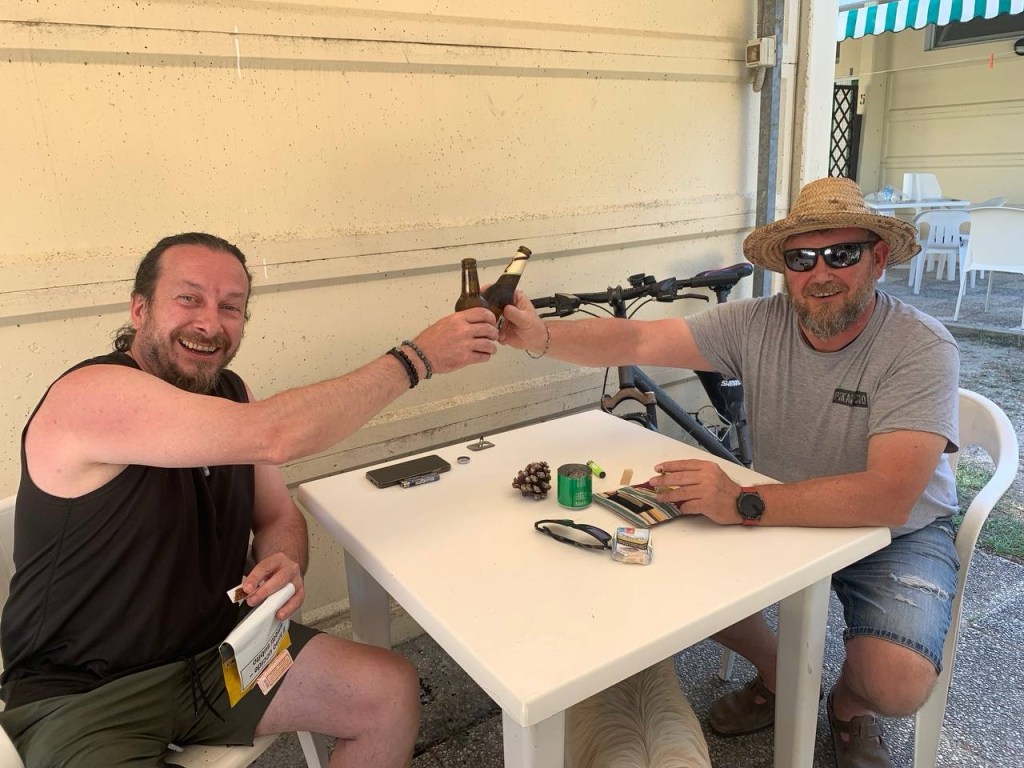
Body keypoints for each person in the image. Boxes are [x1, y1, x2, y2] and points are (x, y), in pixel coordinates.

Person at [500, 177, 960, 768]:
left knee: (896, 684)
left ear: (878, 258)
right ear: (785, 268)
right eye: (802, 258)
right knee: (666, 576)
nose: (820, 273)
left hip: (898, 533)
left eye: (842, 253)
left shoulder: (919, 346)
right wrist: (541, 335)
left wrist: (742, 502)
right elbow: (637, 336)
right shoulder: (756, 323)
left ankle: (848, 706)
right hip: (783, 509)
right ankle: (783, 674)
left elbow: (889, 497)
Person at [0, 232, 500, 768]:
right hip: (86, 699)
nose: (210, 323)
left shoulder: (233, 394)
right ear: (140, 308)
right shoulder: (89, 394)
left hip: (221, 661)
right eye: (188, 298)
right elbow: (276, 434)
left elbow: (279, 514)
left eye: (230, 307)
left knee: (389, 689)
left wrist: (283, 562)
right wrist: (418, 358)